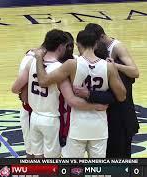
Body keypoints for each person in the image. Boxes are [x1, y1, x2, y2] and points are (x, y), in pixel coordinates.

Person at [11, 29, 107, 158]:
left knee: (36, 160)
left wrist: (26, 91)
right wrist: (95, 106)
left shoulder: (32, 61)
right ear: (61, 46)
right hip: (51, 119)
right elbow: (72, 100)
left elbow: (14, 88)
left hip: (34, 117)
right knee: (51, 165)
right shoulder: (59, 69)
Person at [34, 29, 127, 158]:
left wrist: (39, 58)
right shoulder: (108, 66)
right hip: (99, 126)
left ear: (78, 45)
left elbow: (43, 81)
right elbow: (122, 96)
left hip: (78, 125)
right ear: (96, 44)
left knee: (74, 171)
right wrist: (113, 72)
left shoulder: (72, 64)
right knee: (100, 172)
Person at [78, 23, 140, 159]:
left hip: (120, 118)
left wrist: (113, 66)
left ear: (99, 38)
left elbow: (134, 72)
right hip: (112, 119)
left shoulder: (116, 48)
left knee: (118, 160)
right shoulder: (99, 59)